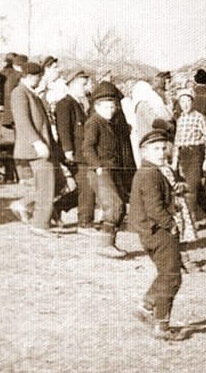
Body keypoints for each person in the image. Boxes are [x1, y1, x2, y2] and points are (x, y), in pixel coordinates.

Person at [129, 128, 188, 341]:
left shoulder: (150, 172)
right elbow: (154, 208)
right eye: (156, 149)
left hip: (152, 232)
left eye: (164, 148)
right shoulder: (150, 174)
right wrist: (171, 224)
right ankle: (162, 325)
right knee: (172, 276)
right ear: (144, 152)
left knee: (166, 272)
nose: (162, 152)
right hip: (159, 232)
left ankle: (147, 305)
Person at [10, 61, 64, 236]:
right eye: (38, 76)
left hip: (44, 145)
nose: (40, 79)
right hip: (36, 147)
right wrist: (37, 142)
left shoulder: (31, 93)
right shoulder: (19, 93)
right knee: (47, 185)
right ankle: (40, 224)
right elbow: (23, 121)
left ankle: (24, 204)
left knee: (57, 182)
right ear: (28, 76)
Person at [82, 83, 128, 258]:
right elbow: (87, 147)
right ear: (97, 107)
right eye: (108, 107)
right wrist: (98, 166)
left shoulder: (108, 122)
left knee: (119, 207)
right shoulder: (94, 123)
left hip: (110, 169)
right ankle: (105, 245)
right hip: (101, 171)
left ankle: (109, 243)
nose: (112, 110)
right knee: (114, 205)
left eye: (113, 106)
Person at [56, 71, 96, 234]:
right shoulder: (65, 104)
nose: (86, 88)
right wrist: (68, 150)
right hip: (75, 153)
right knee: (87, 186)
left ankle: (57, 207)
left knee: (83, 187)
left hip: (83, 152)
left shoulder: (80, 103)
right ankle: (85, 223)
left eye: (86, 84)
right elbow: (63, 129)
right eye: (82, 84)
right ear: (71, 84)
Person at [173, 87, 206, 229]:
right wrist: (175, 160)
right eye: (182, 101)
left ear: (192, 102)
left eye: (187, 101)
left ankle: (190, 223)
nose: (185, 104)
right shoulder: (180, 119)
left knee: (190, 190)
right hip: (183, 156)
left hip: (195, 154)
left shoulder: (199, 117)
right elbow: (177, 141)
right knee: (197, 189)